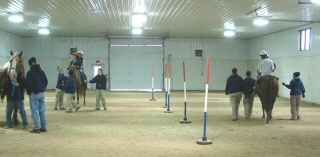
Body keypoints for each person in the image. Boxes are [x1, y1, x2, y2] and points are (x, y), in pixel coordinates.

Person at [25, 57, 48, 133]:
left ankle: (37, 127)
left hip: (34, 94)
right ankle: (44, 127)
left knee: (35, 111)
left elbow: (28, 84)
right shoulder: (41, 71)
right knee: (42, 111)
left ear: (30, 64)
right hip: (42, 93)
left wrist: (29, 91)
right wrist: (42, 89)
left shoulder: (30, 72)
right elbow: (46, 81)